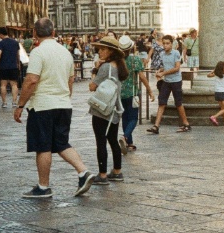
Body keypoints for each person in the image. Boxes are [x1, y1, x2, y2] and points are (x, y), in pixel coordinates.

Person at [13, 18, 96, 198]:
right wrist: (65, 97)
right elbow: (70, 79)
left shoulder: (38, 52)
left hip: (42, 105)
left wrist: (20, 105)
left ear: (34, 33)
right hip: (63, 104)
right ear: (53, 32)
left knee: (43, 146)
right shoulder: (65, 52)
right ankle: (83, 172)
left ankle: (43, 187)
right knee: (61, 143)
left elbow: (31, 80)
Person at [88, 37, 128, 185]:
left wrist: (95, 71)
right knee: (113, 140)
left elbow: (92, 87)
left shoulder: (105, 67)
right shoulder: (120, 66)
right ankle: (117, 171)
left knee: (101, 141)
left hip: (102, 109)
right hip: (115, 109)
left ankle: (102, 174)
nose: (100, 51)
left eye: (103, 49)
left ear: (111, 51)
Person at [147, 34, 191, 134]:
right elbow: (166, 66)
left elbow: (177, 68)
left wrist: (163, 73)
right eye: (164, 43)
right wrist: (160, 70)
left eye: (167, 43)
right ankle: (156, 126)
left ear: (171, 44)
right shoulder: (162, 54)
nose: (165, 45)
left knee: (178, 103)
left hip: (176, 81)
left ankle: (186, 124)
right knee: (161, 103)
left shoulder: (176, 53)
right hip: (166, 81)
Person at [118, 35, 155, 153]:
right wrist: (149, 90)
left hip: (120, 94)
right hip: (133, 93)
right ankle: (125, 137)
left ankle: (129, 143)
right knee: (133, 118)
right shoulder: (135, 60)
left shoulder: (117, 61)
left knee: (125, 117)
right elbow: (142, 77)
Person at [0, 27, 21, 108]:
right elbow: (18, 54)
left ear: (0, 34)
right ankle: (14, 102)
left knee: (3, 85)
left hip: (3, 66)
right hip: (13, 65)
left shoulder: (1, 43)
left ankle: (4, 102)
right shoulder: (15, 42)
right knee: (14, 85)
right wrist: (18, 63)